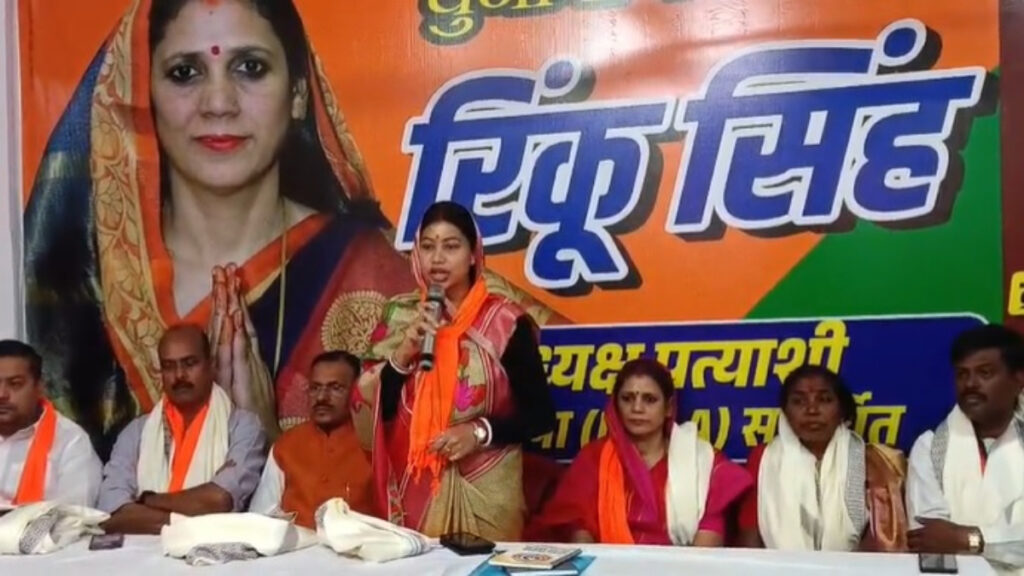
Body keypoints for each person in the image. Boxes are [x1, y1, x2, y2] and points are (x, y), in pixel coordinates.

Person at [22, 0, 557, 457]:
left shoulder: (377, 277)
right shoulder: (87, 294)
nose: (218, 104)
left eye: (250, 67)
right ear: (145, 98)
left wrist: (272, 435)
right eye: (185, 73)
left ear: (299, 93)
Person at [353, 201, 556, 541]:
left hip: (487, 490)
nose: (437, 259)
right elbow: (374, 413)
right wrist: (404, 353)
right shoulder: (401, 316)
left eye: (451, 246)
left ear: (473, 255)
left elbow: (541, 417)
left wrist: (478, 433)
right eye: (427, 246)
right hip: (414, 491)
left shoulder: (505, 322)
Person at [530, 359, 751, 546]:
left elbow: (708, 544)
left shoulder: (702, 461)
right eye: (627, 398)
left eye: (649, 399)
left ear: (668, 407)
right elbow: (580, 533)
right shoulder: (594, 459)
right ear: (615, 405)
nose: (637, 408)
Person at [97, 324, 266, 535]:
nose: (179, 375)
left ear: (210, 365)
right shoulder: (136, 433)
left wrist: (147, 500)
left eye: (190, 363)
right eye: (169, 366)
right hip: (141, 553)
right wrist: (185, 518)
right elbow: (112, 513)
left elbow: (219, 500)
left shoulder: (242, 426)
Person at [736, 364, 908, 552]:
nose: (812, 410)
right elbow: (749, 543)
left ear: (842, 409)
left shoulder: (873, 461)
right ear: (785, 413)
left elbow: (884, 543)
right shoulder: (765, 460)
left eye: (824, 400)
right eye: (799, 401)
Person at [906, 324, 1024, 574]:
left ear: (1018, 379)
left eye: (985, 373)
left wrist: (968, 540)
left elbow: (950, 540)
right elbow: (930, 540)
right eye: (962, 374)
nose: (970, 384)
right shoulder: (930, 447)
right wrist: (1002, 542)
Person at [249, 350, 376, 527]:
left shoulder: (374, 444)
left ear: (356, 392)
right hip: (295, 542)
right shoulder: (286, 445)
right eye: (315, 388)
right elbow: (261, 515)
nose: (322, 397)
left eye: (335, 388)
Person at [0, 340, 102, 507]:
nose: (2, 394)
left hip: (38, 525)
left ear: (39, 387)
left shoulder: (70, 442)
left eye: (15, 384)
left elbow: (74, 516)